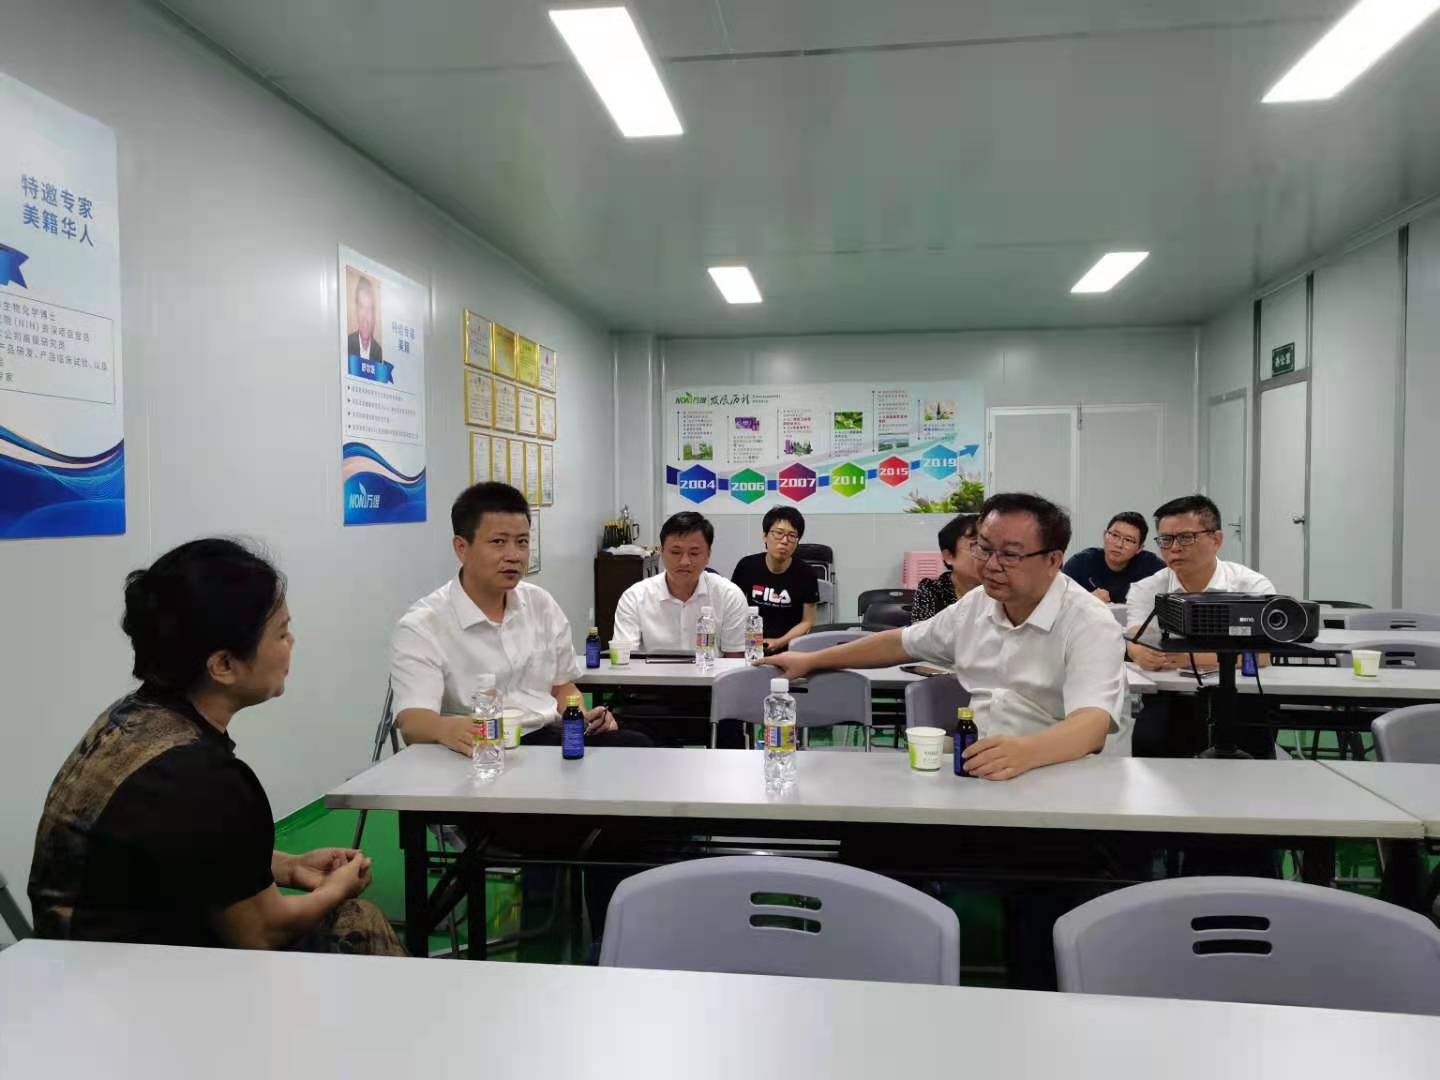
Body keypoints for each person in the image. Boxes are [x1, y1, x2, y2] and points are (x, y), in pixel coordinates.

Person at [28, 539, 403, 955]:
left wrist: (289, 866)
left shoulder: (129, 720)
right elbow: (263, 934)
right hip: (129, 978)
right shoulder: (204, 779)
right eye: (281, 633)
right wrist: (337, 889)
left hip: (67, 957)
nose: (292, 643)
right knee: (359, 921)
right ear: (223, 665)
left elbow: (187, 850)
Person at [763, 492, 1128, 780]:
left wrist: (1025, 752)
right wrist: (811, 660)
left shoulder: (1087, 621)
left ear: (1053, 560)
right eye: (984, 549)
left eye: (1010, 555)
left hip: (1066, 776)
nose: (991, 565)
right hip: (983, 771)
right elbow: (901, 642)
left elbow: (1091, 726)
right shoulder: (976, 605)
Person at [390, 482, 651, 750]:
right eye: (498, 542)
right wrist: (446, 728)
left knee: (637, 746)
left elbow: (562, 687)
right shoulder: (423, 624)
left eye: (522, 542)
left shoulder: (540, 604)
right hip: (479, 750)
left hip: (547, 738)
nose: (514, 556)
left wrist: (581, 718)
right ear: (461, 548)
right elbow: (413, 721)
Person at [1124, 494, 1275, 674]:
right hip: (1166, 687)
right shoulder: (1147, 588)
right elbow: (1136, 638)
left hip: (1239, 686)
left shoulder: (1252, 587)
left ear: (1216, 540)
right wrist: (1141, 653)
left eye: (1186, 537)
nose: (1174, 548)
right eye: (1166, 540)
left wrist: (1191, 658)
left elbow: (1263, 655)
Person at [613, 511, 749, 655]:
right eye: (676, 552)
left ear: (708, 555)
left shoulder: (729, 596)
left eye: (694, 553)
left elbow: (735, 660)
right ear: (661, 552)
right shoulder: (634, 597)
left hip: (710, 670)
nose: (685, 562)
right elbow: (623, 659)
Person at [729, 506, 819, 651]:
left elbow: (808, 621)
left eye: (792, 535)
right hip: (750, 644)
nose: (784, 541)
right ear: (765, 535)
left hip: (790, 647)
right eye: (778, 533)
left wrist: (780, 642)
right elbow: (733, 610)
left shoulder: (807, 573)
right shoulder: (747, 566)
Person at [1062, 511, 1165, 605]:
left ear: (1139, 548)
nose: (1119, 544)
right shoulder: (1081, 563)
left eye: (1128, 540)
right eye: (1115, 535)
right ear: (1104, 535)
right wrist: (1085, 600)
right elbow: (1058, 602)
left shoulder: (1152, 567)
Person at [910, 513, 982, 622]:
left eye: (989, 546)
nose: (987, 555)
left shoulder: (998, 587)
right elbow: (921, 630)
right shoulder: (932, 589)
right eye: (977, 545)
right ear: (949, 556)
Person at [346, 275, 382, 365]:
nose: (365, 317)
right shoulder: (346, 344)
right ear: (356, 311)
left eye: (369, 309)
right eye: (361, 307)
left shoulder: (379, 353)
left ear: (374, 315)